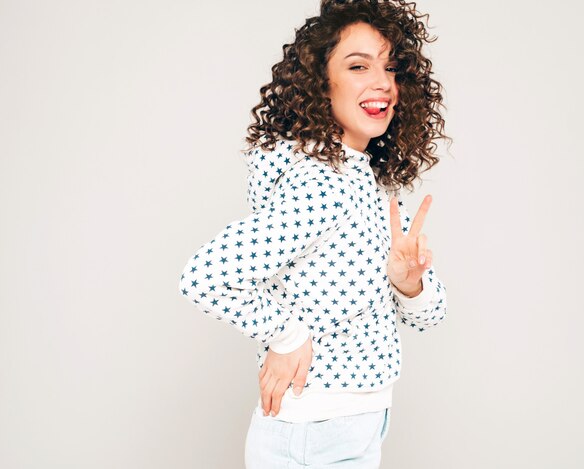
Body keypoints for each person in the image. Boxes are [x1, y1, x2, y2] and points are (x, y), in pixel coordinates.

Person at [178, 0, 451, 466]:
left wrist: (409, 283)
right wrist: (286, 335)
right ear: (321, 83)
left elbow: (431, 316)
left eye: (391, 67)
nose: (382, 82)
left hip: (360, 418)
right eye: (358, 65)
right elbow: (203, 277)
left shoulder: (371, 182)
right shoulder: (321, 185)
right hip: (316, 429)